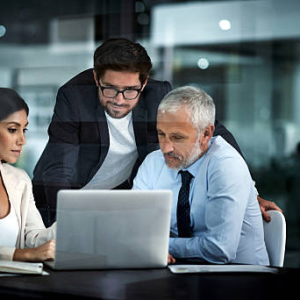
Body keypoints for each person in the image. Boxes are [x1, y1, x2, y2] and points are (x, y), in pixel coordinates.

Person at [32, 37, 280, 226]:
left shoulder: (158, 96)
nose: (119, 100)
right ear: (97, 78)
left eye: (130, 90)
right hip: (61, 201)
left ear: (144, 83)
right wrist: (61, 225)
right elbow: (59, 169)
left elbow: (215, 133)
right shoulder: (74, 96)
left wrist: (251, 193)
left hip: (114, 200)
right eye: (109, 88)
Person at [133, 86, 269, 265]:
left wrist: (158, 245)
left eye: (177, 137)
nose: (165, 148)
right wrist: (144, 244)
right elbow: (134, 228)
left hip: (240, 277)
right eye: (161, 134)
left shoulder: (226, 165)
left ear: (206, 134)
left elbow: (219, 250)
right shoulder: (153, 162)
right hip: (180, 274)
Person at [0, 88, 56, 262]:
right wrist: (23, 255)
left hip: (15, 285)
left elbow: (33, 237)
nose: (22, 140)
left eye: (24, 130)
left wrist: (72, 223)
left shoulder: (20, 179)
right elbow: (30, 251)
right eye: (12, 129)